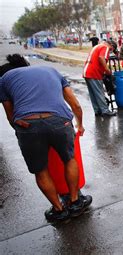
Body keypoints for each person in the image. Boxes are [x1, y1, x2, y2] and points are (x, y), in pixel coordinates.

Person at [0, 57, 92, 222]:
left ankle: (59, 210)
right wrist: (80, 124)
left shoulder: (5, 79)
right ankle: (75, 202)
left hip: (28, 124)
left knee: (40, 170)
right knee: (69, 159)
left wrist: (21, 129)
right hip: (60, 121)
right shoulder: (51, 71)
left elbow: (10, 114)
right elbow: (75, 104)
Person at [82, 39, 118, 117]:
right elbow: (101, 58)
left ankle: (97, 110)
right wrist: (107, 70)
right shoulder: (105, 47)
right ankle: (105, 110)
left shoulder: (97, 46)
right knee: (99, 92)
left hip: (87, 72)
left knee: (93, 93)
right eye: (112, 50)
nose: (110, 51)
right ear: (111, 46)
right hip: (94, 72)